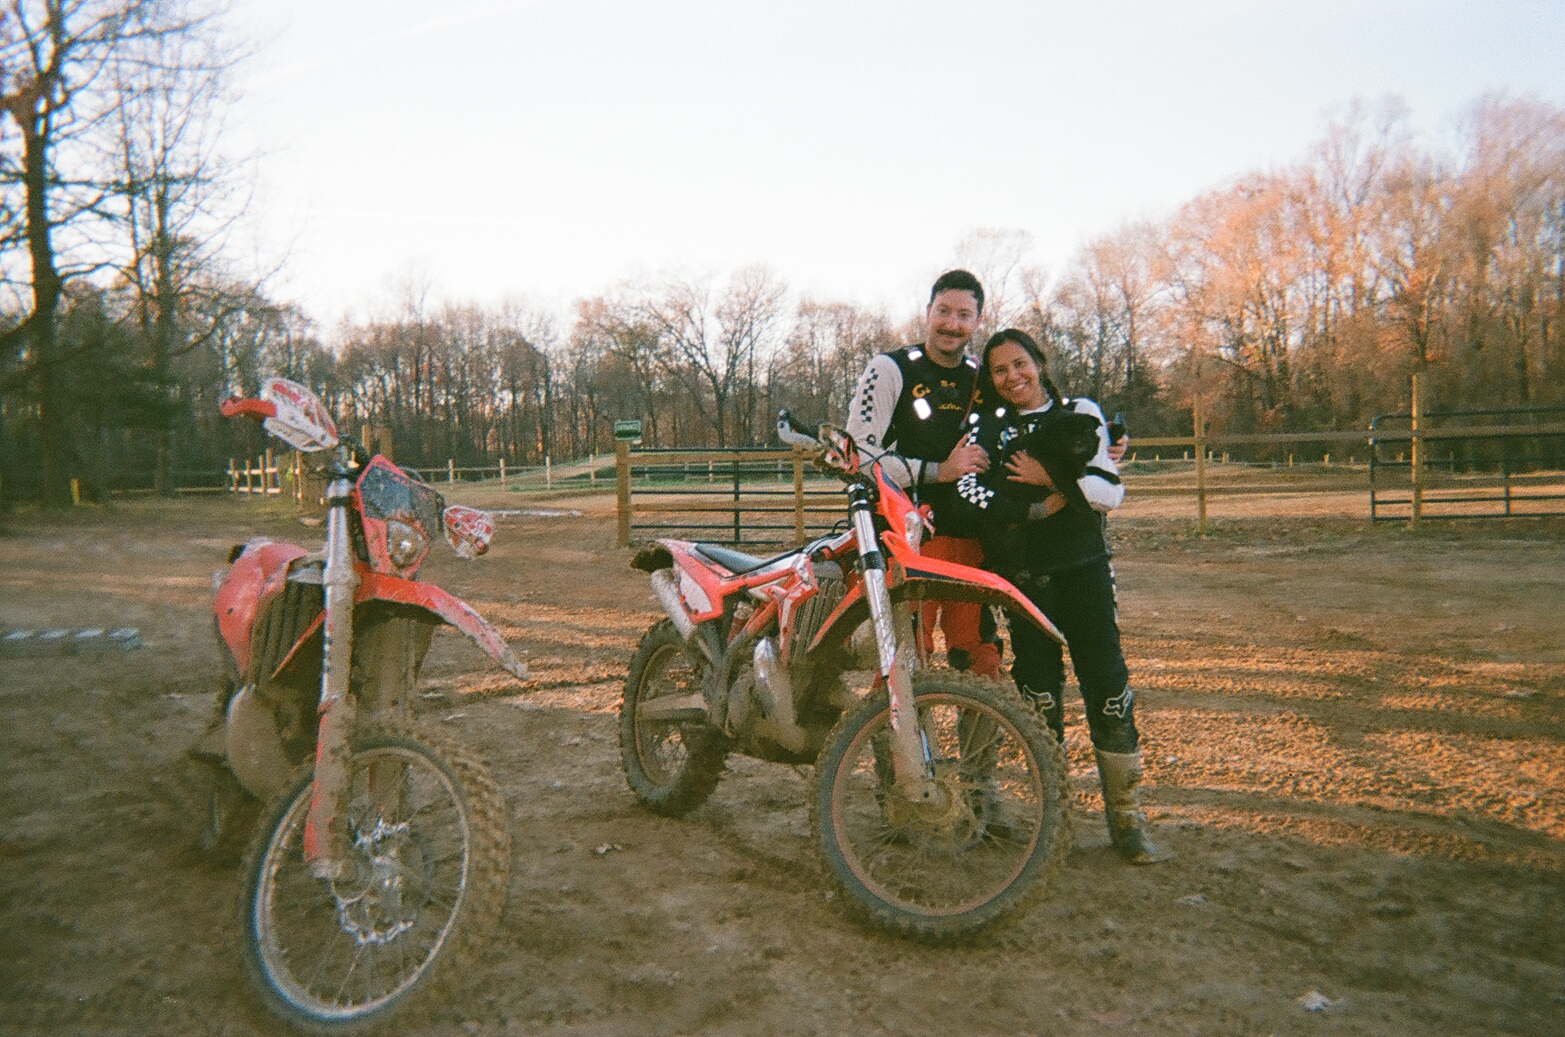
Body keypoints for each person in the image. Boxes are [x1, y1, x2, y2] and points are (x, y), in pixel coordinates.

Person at [943, 327, 1167, 865]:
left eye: (1020, 363)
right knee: (1039, 695)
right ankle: (1055, 818)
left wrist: (1051, 477)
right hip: (1023, 580)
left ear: (1039, 362)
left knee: (1107, 686)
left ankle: (1128, 820)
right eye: (1000, 370)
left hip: (1084, 572)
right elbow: (973, 498)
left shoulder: (1080, 413)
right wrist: (1038, 505)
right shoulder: (988, 429)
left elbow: (1109, 492)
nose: (1012, 376)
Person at [845, 270, 999, 677]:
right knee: (907, 656)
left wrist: (1101, 443)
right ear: (928, 311)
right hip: (908, 535)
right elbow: (859, 454)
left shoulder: (984, 377)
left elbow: (1033, 416)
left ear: (978, 321)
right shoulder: (890, 368)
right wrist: (937, 471)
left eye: (964, 315)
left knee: (980, 654)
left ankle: (982, 722)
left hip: (970, 534)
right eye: (943, 311)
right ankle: (893, 722)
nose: (952, 324)